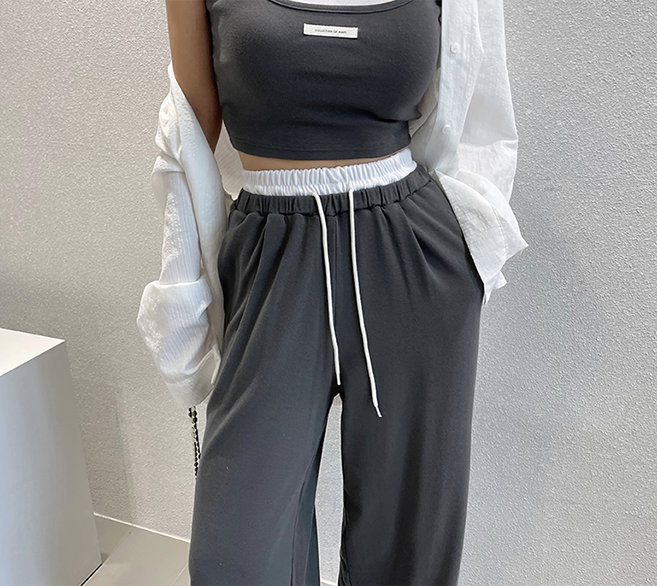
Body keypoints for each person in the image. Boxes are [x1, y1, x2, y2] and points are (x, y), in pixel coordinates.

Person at [136, 0, 529, 583]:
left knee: (408, 553)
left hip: (413, 262)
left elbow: (482, 108)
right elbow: (187, 132)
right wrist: (184, 292)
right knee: (234, 559)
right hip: (271, 256)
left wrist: (469, 252)